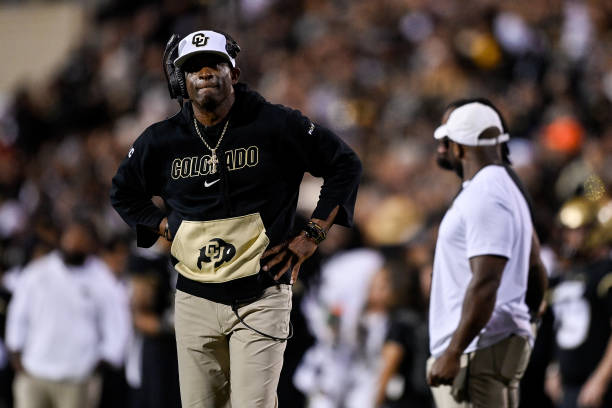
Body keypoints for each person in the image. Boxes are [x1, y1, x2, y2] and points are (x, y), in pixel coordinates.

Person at [110, 29, 362, 407]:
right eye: (194, 67)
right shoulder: (160, 140)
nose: (205, 72)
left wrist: (312, 233)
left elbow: (344, 163)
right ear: (181, 80)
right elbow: (123, 192)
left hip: (261, 292)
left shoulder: (275, 124)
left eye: (215, 63)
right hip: (194, 296)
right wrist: (164, 226)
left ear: (236, 73)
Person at [426, 101, 547, 407]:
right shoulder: (508, 187)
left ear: (460, 149)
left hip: (476, 349)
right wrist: (525, 322)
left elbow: (486, 281)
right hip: (492, 344)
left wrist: (453, 351)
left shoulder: (484, 194)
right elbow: (536, 269)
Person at [5, 220, 129, 408]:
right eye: (71, 237)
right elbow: (18, 315)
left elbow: (117, 322)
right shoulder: (38, 272)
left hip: (78, 377)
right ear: (62, 239)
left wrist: (104, 359)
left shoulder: (102, 279)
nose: (75, 243)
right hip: (34, 370)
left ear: (91, 244)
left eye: (81, 239)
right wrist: (15, 350)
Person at [548, 196, 612, 408]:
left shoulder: (605, 272)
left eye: (578, 230)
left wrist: (600, 379)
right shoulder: (567, 273)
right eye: (568, 230)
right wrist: (555, 367)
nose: (572, 237)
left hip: (597, 385)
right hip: (569, 385)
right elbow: (562, 325)